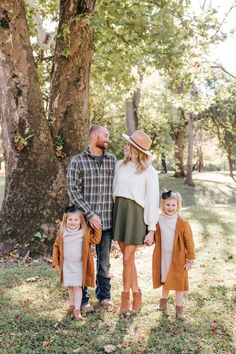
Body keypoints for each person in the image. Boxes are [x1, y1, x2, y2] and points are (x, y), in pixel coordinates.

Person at [67, 125, 116, 312]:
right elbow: (73, 191)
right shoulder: (77, 161)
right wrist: (90, 214)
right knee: (83, 261)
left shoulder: (112, 161)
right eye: (106, 135)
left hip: (107, 222)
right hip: (83, 223)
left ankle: (104, 296)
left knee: (104, 262)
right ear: (95, 136)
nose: (108, 139)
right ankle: (83, 300)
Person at [113, 130, 159, 313]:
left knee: (126, 258)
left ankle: (125, 298)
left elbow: (153, 200)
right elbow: (114, 191)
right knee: (128, 260)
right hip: (120, 213)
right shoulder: (120, 165)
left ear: (136, 149)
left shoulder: (150, 172)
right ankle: (137, 294)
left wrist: (151, 228)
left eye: (129, 145)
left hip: (136, 216)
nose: (126, 147)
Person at [149, 190, 195, 320]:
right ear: (163, 205)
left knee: (179, 284)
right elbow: (155, 237)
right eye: (167, 205)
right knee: (165, 280)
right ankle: (162, 302)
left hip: (178, 258)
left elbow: (189, 242)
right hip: (163, 256)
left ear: (178, 206)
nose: (170, 208)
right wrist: (149, 239)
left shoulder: (182, 223)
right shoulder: (159, 221)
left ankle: (179, 308)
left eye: (173, 205)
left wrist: (190, 259)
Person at [52, 205, 102, 320]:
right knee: (70, 286)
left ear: (80, 220)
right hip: (67, 265)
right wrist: (56, 262)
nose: (73, 222)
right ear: (66, 220)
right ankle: (72, 304)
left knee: (77, 287)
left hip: (79, 266)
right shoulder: (62, 232)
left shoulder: (84, 232)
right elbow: (56, 246)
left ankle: (77, 310)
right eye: (70, 219)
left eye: (76, 219)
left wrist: (98, 227)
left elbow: (96, 240)